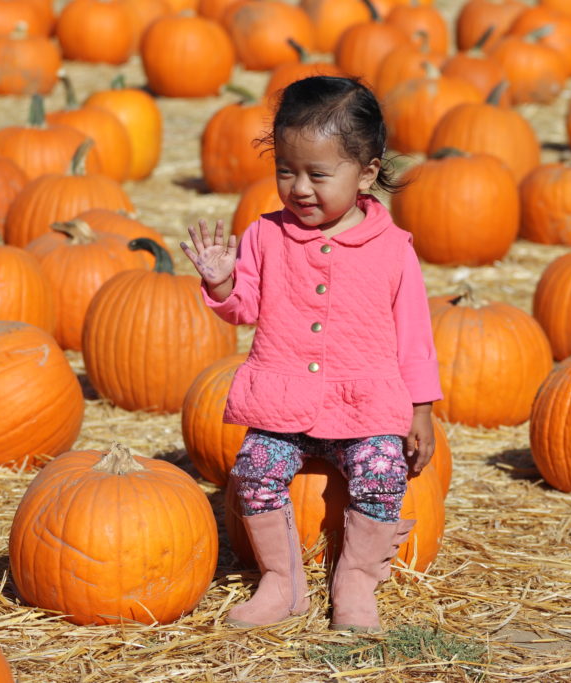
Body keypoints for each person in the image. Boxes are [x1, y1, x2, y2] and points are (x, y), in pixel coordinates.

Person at [180, 75, 442, 632]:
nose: (299, 188)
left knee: (382, 472)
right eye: (286, 171)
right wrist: (224, 284)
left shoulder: (393, 251)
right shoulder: (265, 236)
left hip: (364, 406)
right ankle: (282, 581)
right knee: (253, 469)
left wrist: (421, 410)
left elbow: (415, 336)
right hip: (284, 401)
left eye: (318, 175)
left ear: (366, 173)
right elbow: (244, 308)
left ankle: (357, 579)